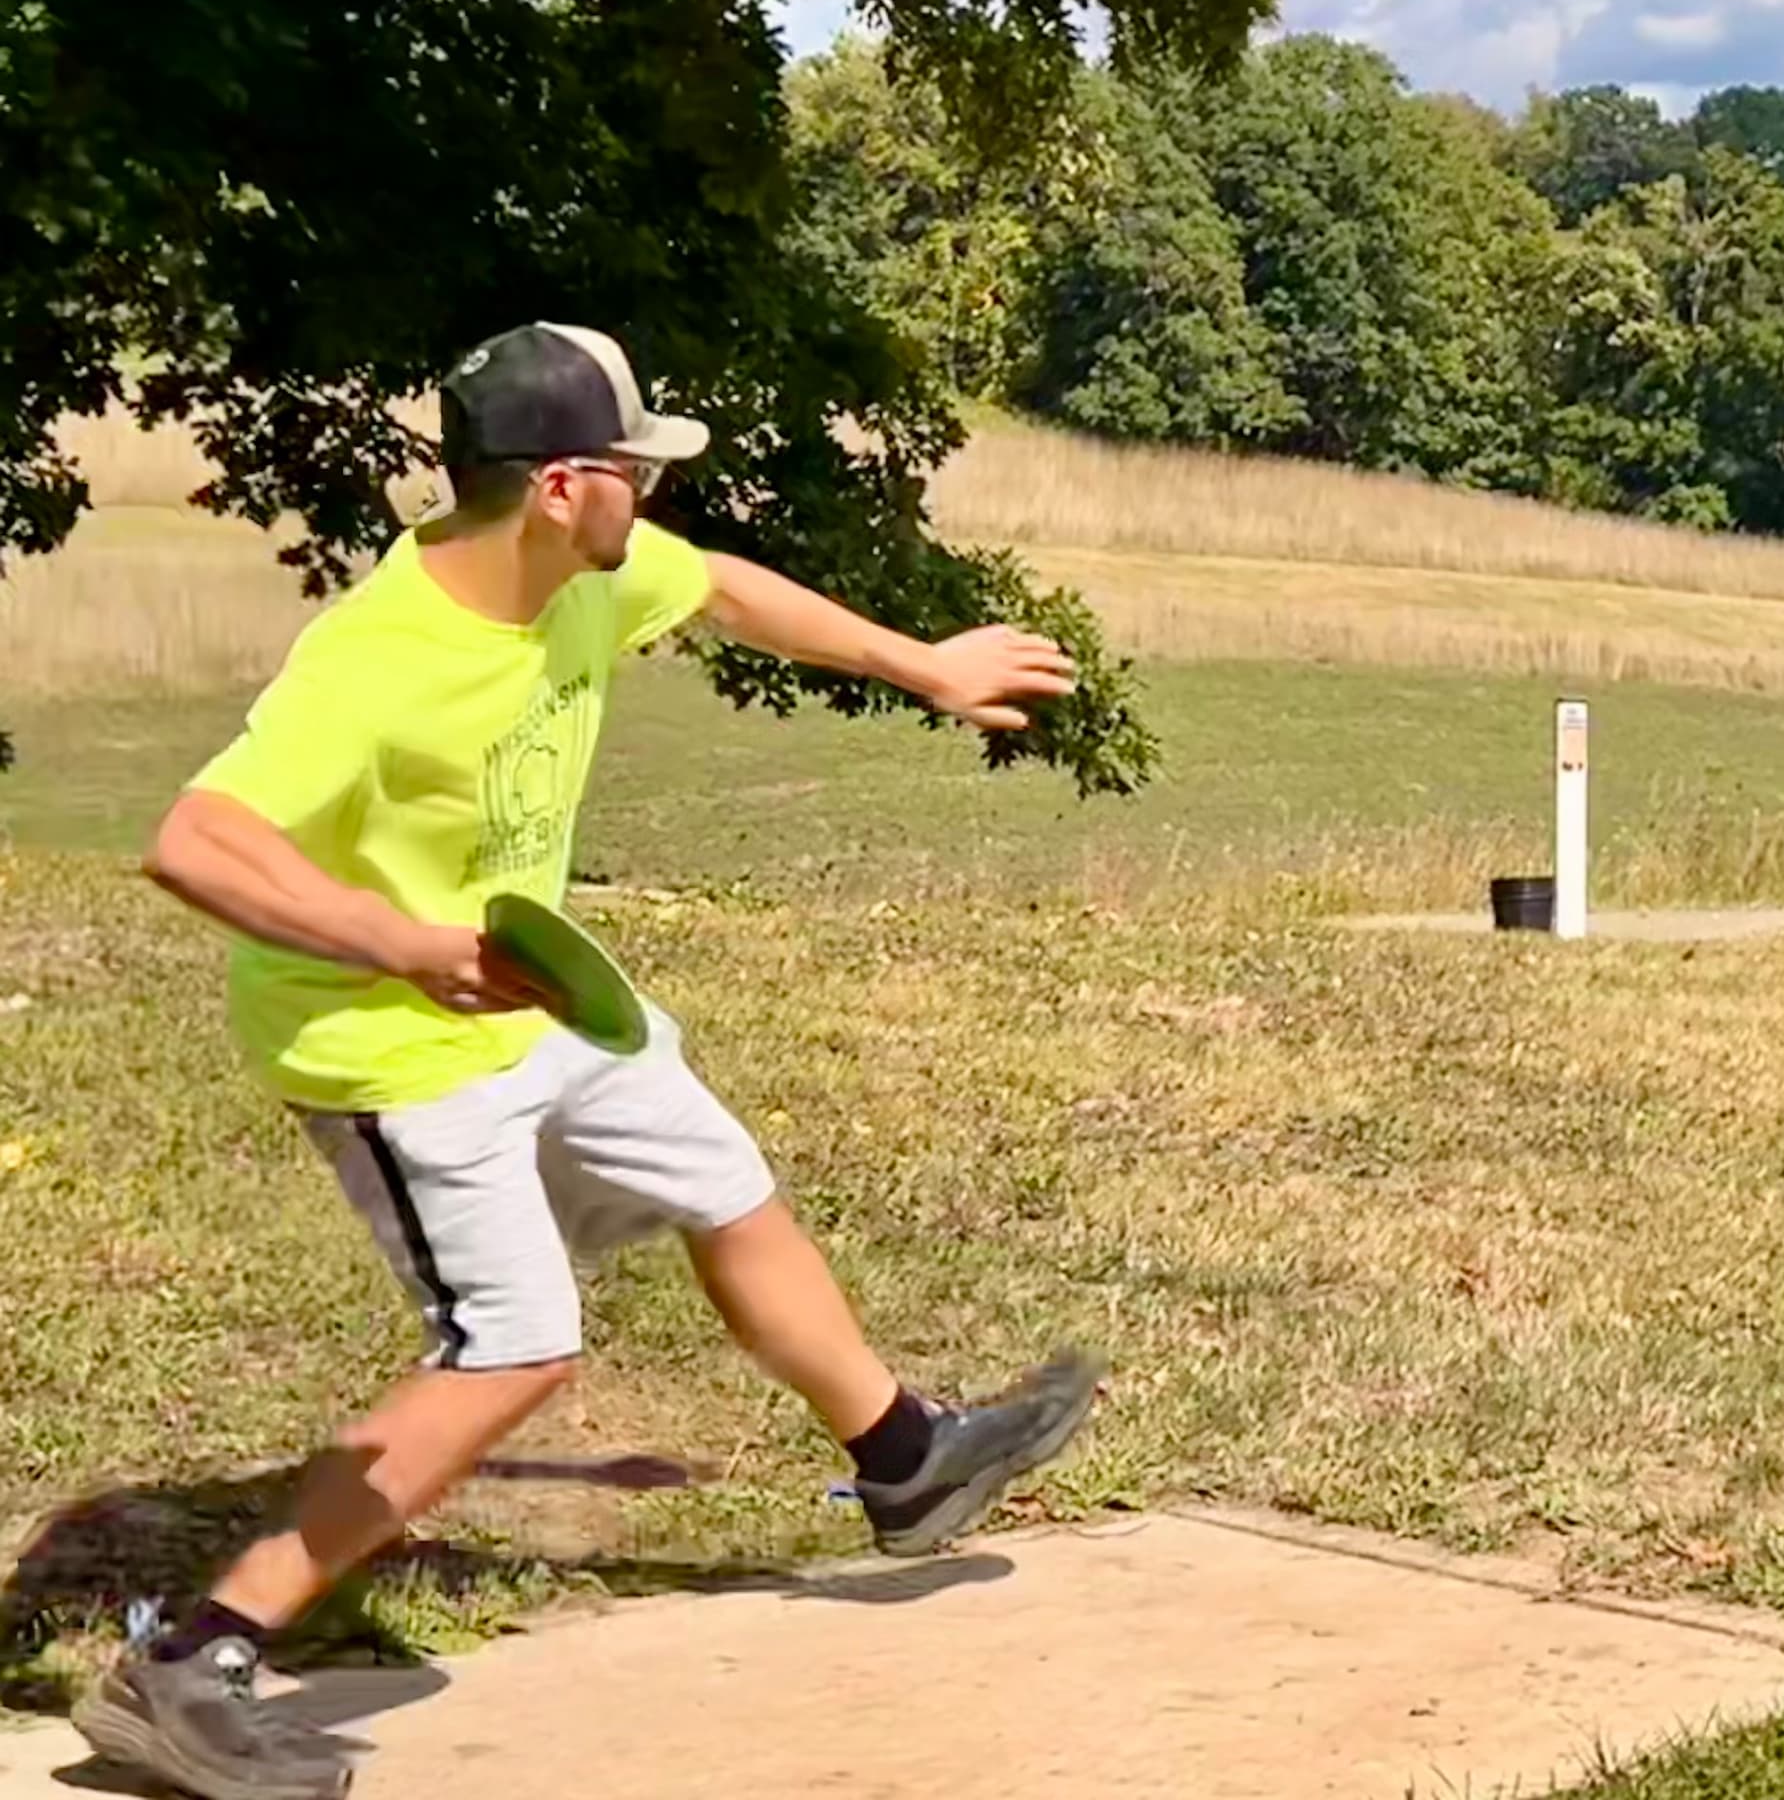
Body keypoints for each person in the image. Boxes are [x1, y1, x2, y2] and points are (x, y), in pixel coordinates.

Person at [75, 324, 1106, 1800]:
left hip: (540, 992)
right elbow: (192, 840)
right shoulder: (378, 661)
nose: (652, 493)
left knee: (724, 1182)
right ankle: (190, 1659)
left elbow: (727, 592)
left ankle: (903, 1459)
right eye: (635, 468)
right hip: (391, 1043)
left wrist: (921, 664)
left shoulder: (588, 576)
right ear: (563, 485)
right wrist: (393, 940)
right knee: (514, 1346)